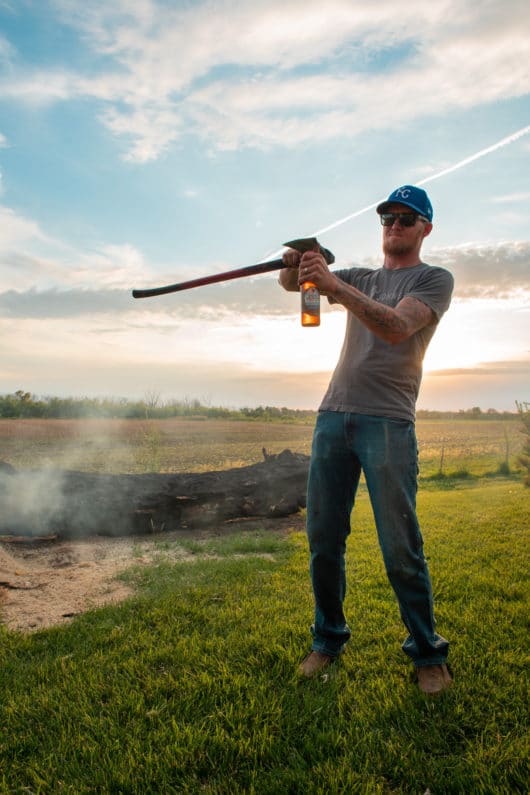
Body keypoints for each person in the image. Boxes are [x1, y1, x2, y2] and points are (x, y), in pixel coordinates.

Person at [279, 185, 454, 694]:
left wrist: (331, 283)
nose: (393, 226)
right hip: (333, 416)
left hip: (388, 422)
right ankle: (327, 639)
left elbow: (398, 327)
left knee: (401, 545)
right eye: (387, 218)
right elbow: (297, 289)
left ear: (425, 227)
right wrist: (299, 264)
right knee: (322, 540)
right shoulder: (360, 277)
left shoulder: (432, 278)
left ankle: (427, 653)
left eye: (405, 218)